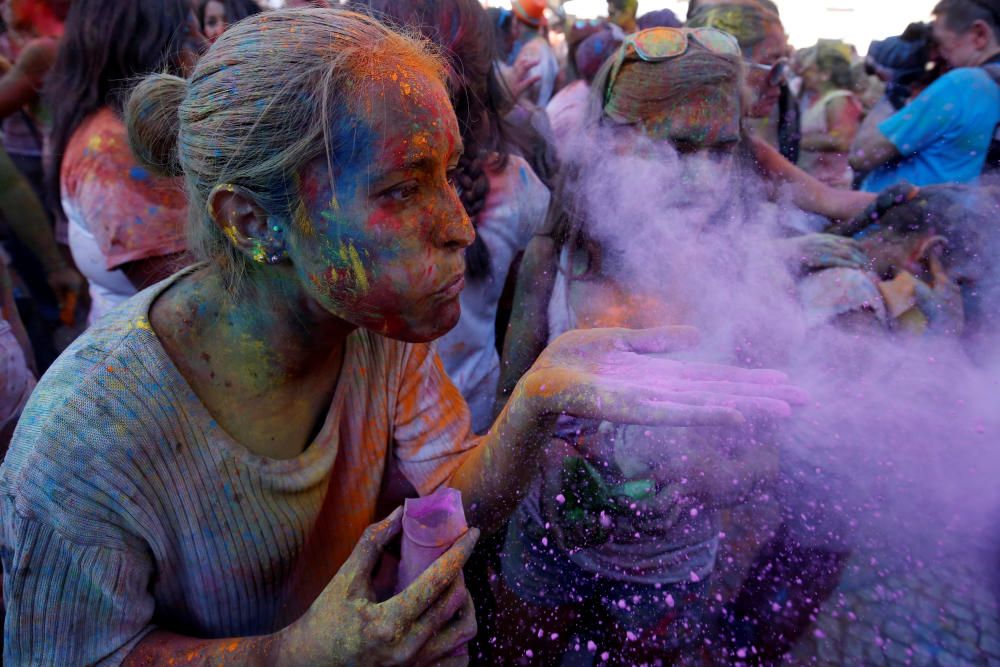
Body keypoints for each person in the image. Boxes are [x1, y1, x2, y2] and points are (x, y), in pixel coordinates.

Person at [0, 9, 804, 664]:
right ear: (251, 222)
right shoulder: (82, 442)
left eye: (450, 176)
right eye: (398, 187)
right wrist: (292, 654)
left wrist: (531, 405)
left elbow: (443, 492)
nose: (459, 228)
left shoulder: (376, 331)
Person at [494, 27, 816, 664]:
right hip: (544, 540)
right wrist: (543, 456)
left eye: (719, 150)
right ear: (609, 143)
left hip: (665, 568)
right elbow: (509, 405)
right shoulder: (553, 260)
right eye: (671, 145)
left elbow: (778, 457)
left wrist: (705, 475)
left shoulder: (754, 282)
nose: (698, 175)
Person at [355, 0, 552, 434]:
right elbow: (525, 308)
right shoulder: (517, 184)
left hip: (380, 431)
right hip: (470, 418)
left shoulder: (334, 187)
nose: (459, 232)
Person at [46, 0, 202, 325]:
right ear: (148, 52)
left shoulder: (120, 128)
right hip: (167, 354)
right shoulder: (117, 149)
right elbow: (191, 305)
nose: (206, 48)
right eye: (188, 39)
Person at [851, 0, 1000, 191]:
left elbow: (861, 155)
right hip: (970, 215)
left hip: (910, 215)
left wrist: (896, 91)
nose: (936, 56)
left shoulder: (962, 84)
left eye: (940, 43)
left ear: (979, 34)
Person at [797, 41, 864, 189]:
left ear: (825, 74)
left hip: (833, 186)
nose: (803, 74)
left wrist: (795, 141)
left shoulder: (839, 99)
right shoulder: (819, 99)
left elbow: (841, 141)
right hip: (814, 184)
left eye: (809, 70)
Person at [507, 0, 559, 108]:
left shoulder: (528, 52)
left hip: (526, 120)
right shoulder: (546, 48)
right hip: (539, 117)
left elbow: (519, 97)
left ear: (516, 20)